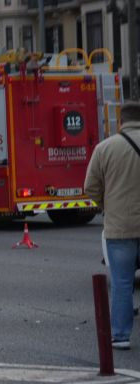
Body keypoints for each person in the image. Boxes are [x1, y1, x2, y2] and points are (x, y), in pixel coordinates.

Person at [84, 100, 140, 350]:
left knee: (122, 282)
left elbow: (90, 187)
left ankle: (121, 335)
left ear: (121, 121)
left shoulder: (104, 148)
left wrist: (107, 205)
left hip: (119, 227)